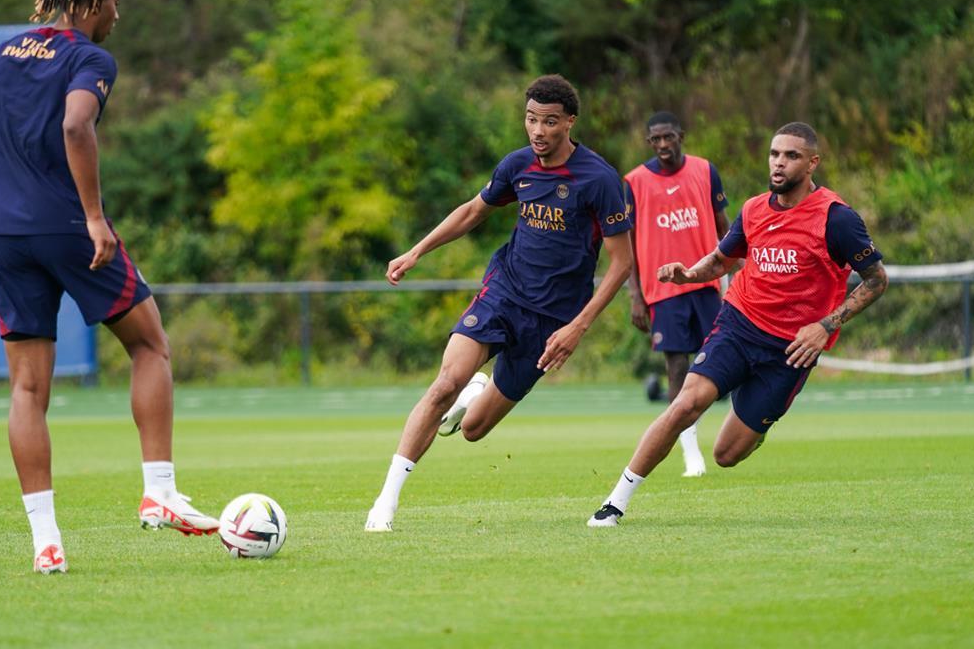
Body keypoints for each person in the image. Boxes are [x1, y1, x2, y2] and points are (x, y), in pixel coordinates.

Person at [0, 0, 219, 575]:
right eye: (115, 0)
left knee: (28, 389)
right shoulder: (88, 58)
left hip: (6, 236)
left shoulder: (2, 54)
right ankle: (160, 492)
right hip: (68, 229)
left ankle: (46, 542)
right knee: (149, 344)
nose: (118, 12)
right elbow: (76, 123)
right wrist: (93, 216)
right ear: (88, 2)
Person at [365, 74, 634, 532]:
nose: (538, 131)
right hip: (504, 293)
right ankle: (385, 502)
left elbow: (622, 263)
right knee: (445, 383)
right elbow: (473, 211)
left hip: (553, 320)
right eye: (531, 119)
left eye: (549, 122)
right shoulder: (517, 166)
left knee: (474, 430)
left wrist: (578, 327)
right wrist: (416, 251)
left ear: (569, 122)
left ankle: (476, 395)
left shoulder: (599, 180)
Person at [588, 122, 888, 526]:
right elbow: (721, 259)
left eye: (791, 156)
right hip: (739, 323)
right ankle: (614, 504)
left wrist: (826, 325)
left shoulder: (836, 220)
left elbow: (876, 280)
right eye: (774, 154)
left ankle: (757, 425)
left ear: (812, 163)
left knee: (726, 455)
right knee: (686, 404)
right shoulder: (753, 210)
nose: (779, 163)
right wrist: (688, 275)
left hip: (790, 350)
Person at [625, 111, 731, 477]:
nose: (662, 145)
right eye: (655, 140)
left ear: (681, 135)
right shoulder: (635, 182)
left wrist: (740, 271)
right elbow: (628, 245)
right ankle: (691, 452)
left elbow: (725, 229)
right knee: (676, 367)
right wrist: (635, 294)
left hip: (704, 284)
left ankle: (741, 432)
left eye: (668, 137)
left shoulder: (704, 170)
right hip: (662, 290)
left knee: (724, 362)